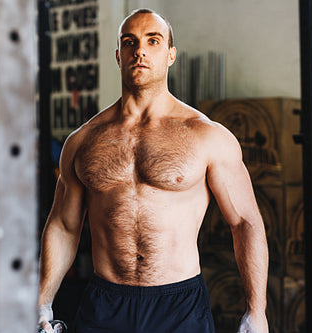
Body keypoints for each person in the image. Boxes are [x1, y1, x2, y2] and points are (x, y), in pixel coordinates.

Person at [38, 8, 269, 333]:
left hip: (179, 306)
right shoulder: (83, 141)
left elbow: (245, 222)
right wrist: (42, 301)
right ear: (118, 55)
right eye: (130, 42)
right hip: (106, 303)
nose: (140, 51)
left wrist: (256, 311)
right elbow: (63, 226)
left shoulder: (206, 136)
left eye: (153, 40)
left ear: (170, 54)